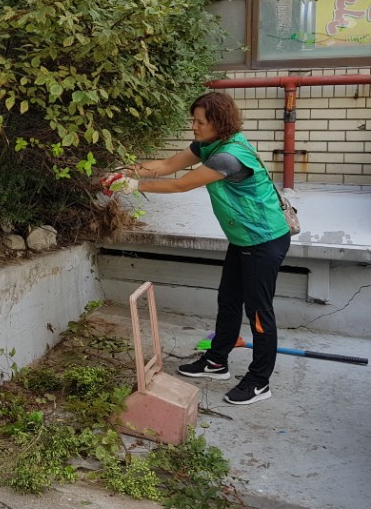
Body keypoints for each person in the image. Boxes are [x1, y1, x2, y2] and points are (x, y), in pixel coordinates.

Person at [101, 92, 291, 405]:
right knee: (228, 299)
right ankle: (217, 362)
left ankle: (259, 382)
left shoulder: (228, 156)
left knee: (258, 314)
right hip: (244, 239)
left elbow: (181, 184)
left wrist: (133, 187)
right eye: (193, 120)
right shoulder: (207, 145)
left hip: (264, 240)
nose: (194, 127)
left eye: (200, 122)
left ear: (219, 123)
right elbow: (165, 165)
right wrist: (125, 172)